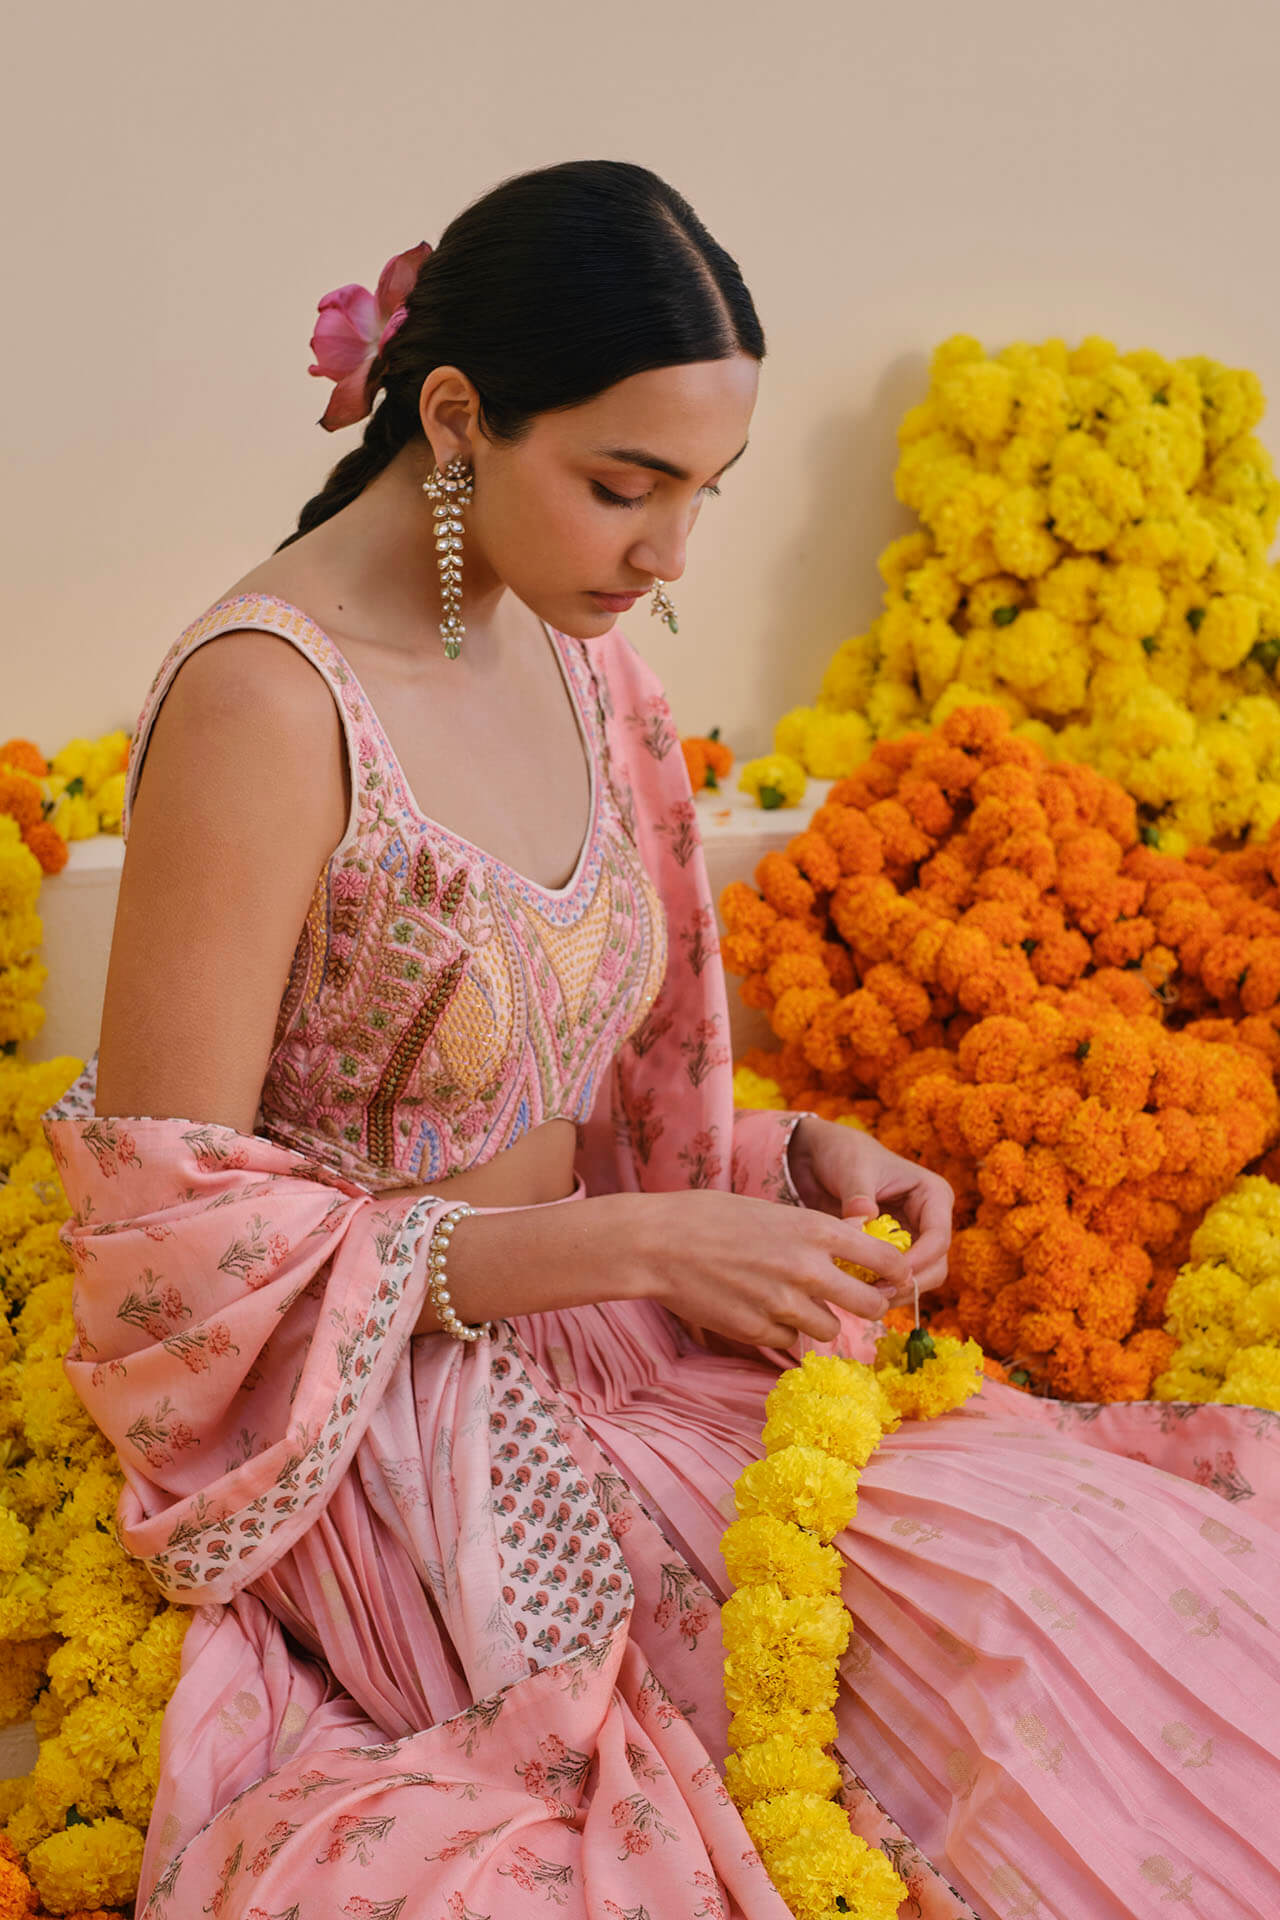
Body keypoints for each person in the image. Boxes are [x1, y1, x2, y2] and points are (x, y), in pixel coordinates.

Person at [43, 159, 1280, 1920]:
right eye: (626, 486)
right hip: (392, 1427)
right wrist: (641, 1242)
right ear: (457, 416)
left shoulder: (583, 655)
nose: (668, 554)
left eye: (705, 493)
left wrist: (785, 1163)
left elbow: (594, 1085)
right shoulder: (270, 700)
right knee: (991, 1608)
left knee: (1109, 1557)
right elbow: (165, 1253)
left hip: (632, 1344)